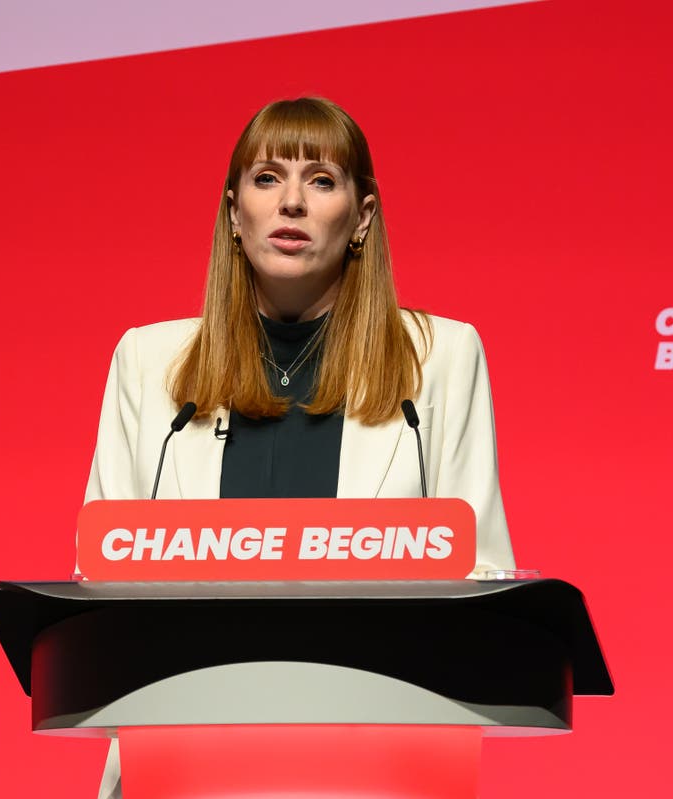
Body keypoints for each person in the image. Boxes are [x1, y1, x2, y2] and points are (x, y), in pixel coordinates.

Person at [83, 97, 515, 799]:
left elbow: (483, 571)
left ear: (362, 216)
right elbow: (99, 574)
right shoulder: (149, 362)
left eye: (320, 179)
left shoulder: (438, 359)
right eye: (265, 178)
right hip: (182, 764)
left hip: (378, 765)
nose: (291, 201)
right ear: (232, 214)